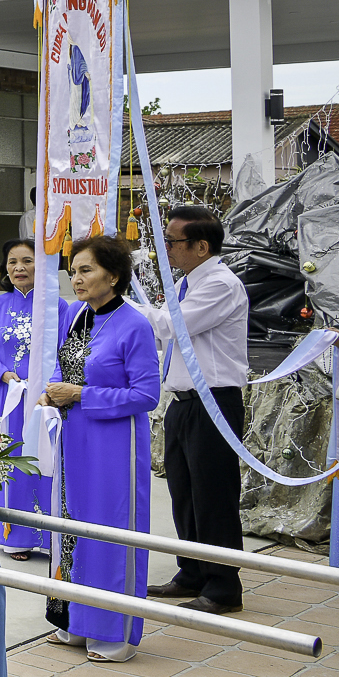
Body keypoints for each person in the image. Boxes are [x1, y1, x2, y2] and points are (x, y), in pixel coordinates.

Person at [41, 235, 160, 663]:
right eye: (73, 271)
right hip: (74, 438)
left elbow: (147, 395)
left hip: (114, 446)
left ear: (113, 276)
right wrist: (53, 392)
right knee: (71, 526)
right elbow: (66, 367)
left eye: (86, 270)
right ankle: (75, 621)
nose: (76, 279)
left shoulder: (135, 325)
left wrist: (81, 395)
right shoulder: (77, 315)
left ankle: (113, 633)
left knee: (110, 532)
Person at [138, 205, 251, 614]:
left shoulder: (220, 284)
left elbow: (171, 327)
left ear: (201, 247)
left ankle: (223, 586)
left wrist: (123, 302)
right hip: (184, 402)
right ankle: (192, 572)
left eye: (172, 241)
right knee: (184, 493)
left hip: (213, 402)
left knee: (213, 495)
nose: (165, 248)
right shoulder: (186, 283)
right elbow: (165, 331)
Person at [0, 239, 65, 560]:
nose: (19, 268)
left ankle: (47, 536)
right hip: (6, 398)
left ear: (42, 265)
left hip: (43, 399)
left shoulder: (57, 307)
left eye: (27, 261)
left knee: (43, 459)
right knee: (10, 461)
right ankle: (14, 536)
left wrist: (51, 387)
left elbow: (64, 352)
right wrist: (2, 374)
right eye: (12, 261)